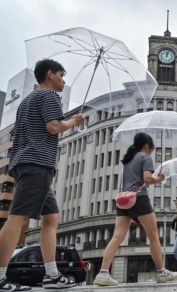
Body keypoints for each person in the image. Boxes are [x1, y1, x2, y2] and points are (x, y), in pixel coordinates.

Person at [0, 59, 84, 291]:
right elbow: (53, 127)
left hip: (25, 162)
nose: (63, 80)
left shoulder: (26, 101)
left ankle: (52, 275)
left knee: (51, 218)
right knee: (18, 218)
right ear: (50, 74)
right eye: (61, 75)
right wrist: (73, 122)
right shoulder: (49, 97)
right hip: (37, 162)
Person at [93, 133, 177, 286]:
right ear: (147, 146)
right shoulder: (145, 157)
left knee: (117, 237)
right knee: (153, 235)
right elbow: (146, 179)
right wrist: (159, 178)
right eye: (151, 149)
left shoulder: (128, 160)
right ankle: (162, 272)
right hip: (139, 199)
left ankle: (103, 273)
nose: (151, 152)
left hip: (123, 200)